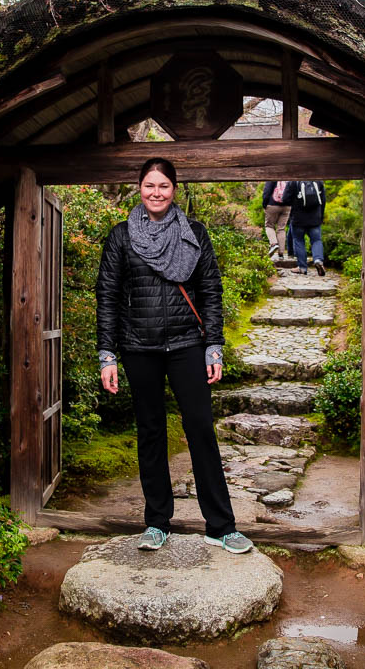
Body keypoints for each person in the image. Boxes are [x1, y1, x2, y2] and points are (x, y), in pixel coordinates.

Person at [95, 157, 253, 554]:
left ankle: (221, 525)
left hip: (186, 345)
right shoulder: (120, 237)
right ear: (139, 188)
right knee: (150, 432)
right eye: (150, 185)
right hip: (138, 347)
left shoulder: (193, 233)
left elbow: (211, 292)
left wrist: (214, 346)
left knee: (200, 429)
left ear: (174, 189)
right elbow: (108, 298)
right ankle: (157, 522)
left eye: (163, 186)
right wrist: (107, 355)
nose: (156, 193)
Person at [281, 179, 327, 275]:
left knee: (299, 241)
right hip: (315, 218)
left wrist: (296, 201)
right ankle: (318, 259)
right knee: (316, 240)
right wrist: (320, 216)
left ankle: (302, 267)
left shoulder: (293, 181)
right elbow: (323, 200)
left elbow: (285, 199)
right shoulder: (318, 180)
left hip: (298, 218)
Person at [260, 180, 291, 262]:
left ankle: (273, 244)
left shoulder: (273, 176)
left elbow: (267, 191)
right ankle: (281, 253)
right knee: (281, 229)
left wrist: (264, 204)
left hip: (272, 204)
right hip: (287, 206)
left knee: (269, 226)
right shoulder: (289, 177)